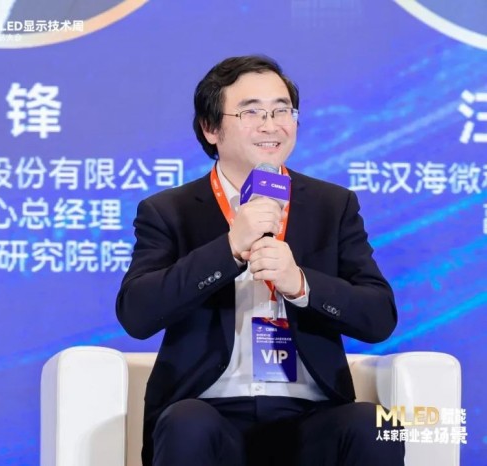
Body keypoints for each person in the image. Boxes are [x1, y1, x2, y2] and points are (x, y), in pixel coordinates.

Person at [115, 55, 404, 466]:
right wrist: (229, 249)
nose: (271, 125)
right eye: (252, 112)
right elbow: (137, 313)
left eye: (282, 110)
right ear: (210, 128)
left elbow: (379, 317)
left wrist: (302, 284)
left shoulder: (332, 205)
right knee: (187, 424)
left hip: (310, 418)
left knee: (377, 425)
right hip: (208, 412)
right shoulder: (170, 211)